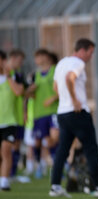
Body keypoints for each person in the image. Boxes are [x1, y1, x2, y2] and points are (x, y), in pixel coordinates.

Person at [50, 38, 98, 198]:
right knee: (91, 149)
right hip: (77, 113)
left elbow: (55, 87)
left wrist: (66, 99)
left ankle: (55, 185)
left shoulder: (61, 63)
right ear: (83, 50)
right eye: (91, 52)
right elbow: (70, 77)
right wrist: (74, 100)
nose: (90, 57)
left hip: (63, 112)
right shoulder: (78, 63)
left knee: (63, 150)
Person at [26, 49, 59, 173]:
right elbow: (27, 95)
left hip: (53, 111)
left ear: (46, 57)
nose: (36, 60)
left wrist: (53, 98)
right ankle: (40, 164)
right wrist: (30, 90)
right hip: (39, 112)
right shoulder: (36, 75)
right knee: (40, 142)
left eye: (38, 57)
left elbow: (62, 88)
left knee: (55, 137)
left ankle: (58, 165)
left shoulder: (55, 70)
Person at [0, 50, 23, 190]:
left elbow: (19, 92)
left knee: (6, 150)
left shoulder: (14, 76)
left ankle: (4, 181)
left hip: (9, 121)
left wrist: (9, 77)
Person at [7, 49, 26, 177]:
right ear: (13, 58)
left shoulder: (18, 75)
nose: (21, 63)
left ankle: (12, 173)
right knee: (7, 146)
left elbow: (23, 93)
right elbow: (19, 91)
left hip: (17, 115)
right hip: (7, 115)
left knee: (17, 144)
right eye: (20, 60)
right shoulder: (6, 74)